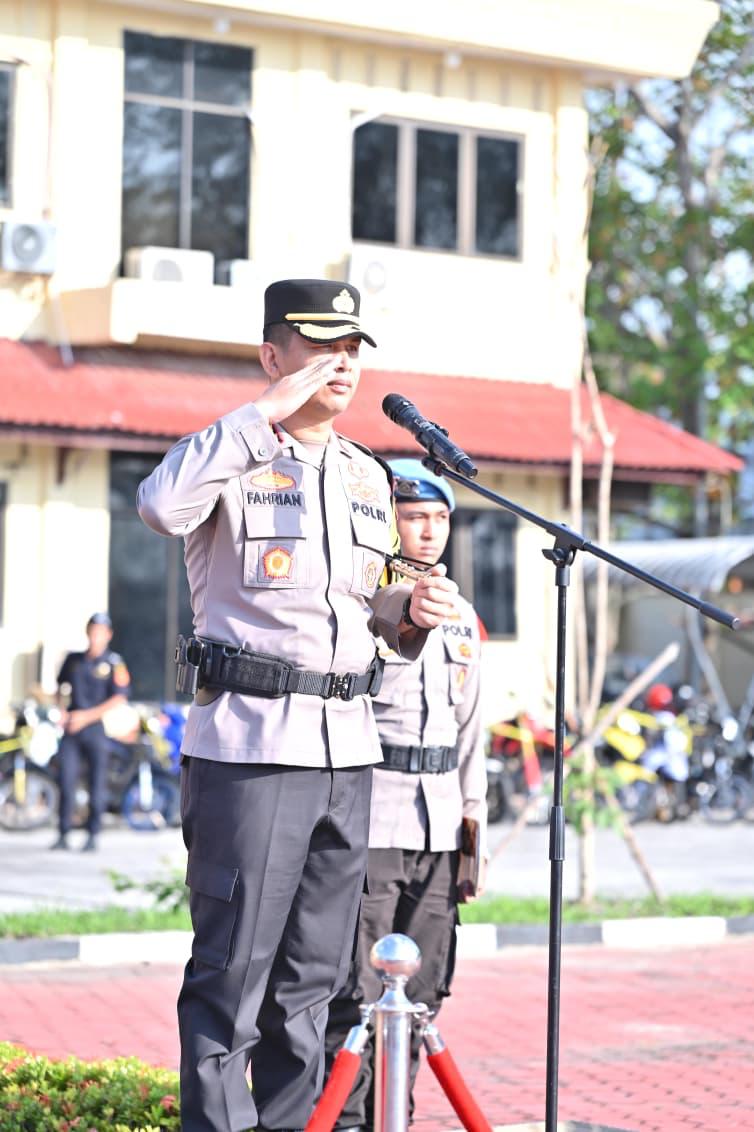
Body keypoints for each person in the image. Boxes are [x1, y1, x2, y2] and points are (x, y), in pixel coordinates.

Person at [136, 279, 459, 1132]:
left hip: (348, 752)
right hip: (251, 751)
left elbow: (376, 601)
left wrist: (412, 610)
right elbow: (160, 507)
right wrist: (263, 416)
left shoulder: (365, 475)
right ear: (272, 356)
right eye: (320, 347)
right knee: (231, 979)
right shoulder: (227, 454)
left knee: (312, 988)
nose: (341, 365)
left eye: (352, 350)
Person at [324, 457, 488, 1131]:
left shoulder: (463, 617)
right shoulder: (365, 605)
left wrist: (472, 832)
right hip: (374, 820)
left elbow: (472, 731)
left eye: (440, 518)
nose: (429, 531)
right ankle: (349, 1122)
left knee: (422, 997)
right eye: (414, 517)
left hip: (439, 825)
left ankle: (397, 1119)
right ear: (389, 522)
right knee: (357, 995)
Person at [52, 612, 131, 852]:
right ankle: (63, 832)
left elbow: (119, 697)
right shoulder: (74, 660)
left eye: (100, 632)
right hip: (72, 728)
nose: (95, 636)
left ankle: (92, 834)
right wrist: (61, 712)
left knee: (96, 783)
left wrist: (86, 717)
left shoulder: (114, 663)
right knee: (66, 780)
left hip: (96, 728)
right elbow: (60, 687)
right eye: (93, 631)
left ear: (108, 635)